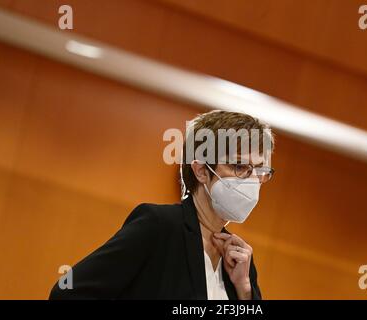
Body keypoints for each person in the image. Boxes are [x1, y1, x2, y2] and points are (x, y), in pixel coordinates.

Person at [49, 110, 275, 299]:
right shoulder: (160, 226)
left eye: (260, 170)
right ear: (201, 171)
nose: (252, 180)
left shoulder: (240, 260)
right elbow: (68, 293)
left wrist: (245, 290)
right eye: (239, 166)